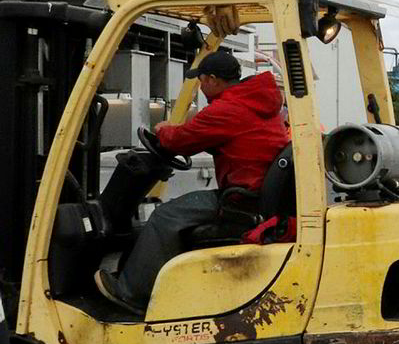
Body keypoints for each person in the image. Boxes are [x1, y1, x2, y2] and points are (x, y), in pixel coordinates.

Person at [96, 50, 290, 313]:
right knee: (175, 214)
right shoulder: (255, 103)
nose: (200, 86)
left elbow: (180, 140)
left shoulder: (227, 109)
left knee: (164, 216)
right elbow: (232, 140)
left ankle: (132, 295)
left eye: (200, 80)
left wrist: (163, 130)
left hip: (242, 199)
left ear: (211, 79)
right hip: (257, 191)